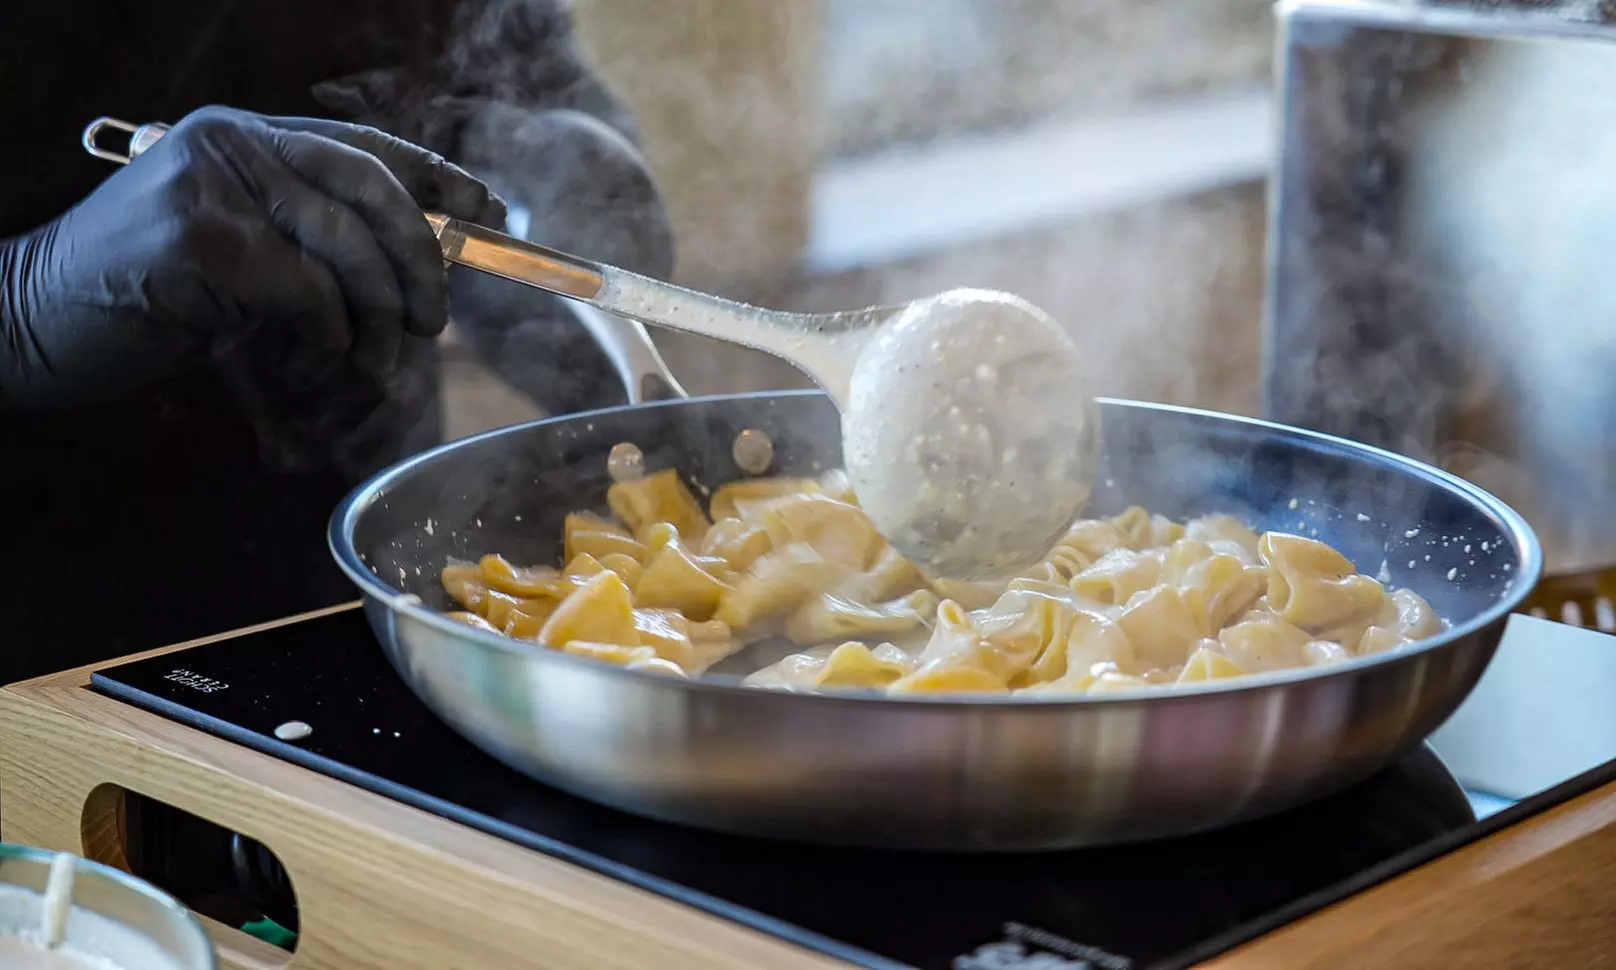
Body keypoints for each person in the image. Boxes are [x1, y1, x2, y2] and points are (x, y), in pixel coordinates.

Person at [0, 0, 674, 678]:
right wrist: (20, 303)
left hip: (372, 595)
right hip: (46, 648)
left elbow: (506, 54)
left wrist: (554, 158)